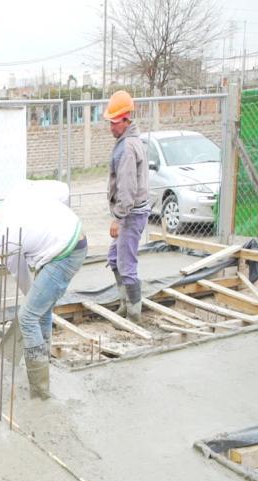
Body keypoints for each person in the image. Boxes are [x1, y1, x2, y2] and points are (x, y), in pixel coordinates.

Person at [0, 185, 87, 401]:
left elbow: (22, 276)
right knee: (40, 310)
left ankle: (40, 391)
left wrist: (32, 300)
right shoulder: (11, 200)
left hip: (65, 253)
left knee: (27, 317)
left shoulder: (5, 235)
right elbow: (61, 191)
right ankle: (44, 364)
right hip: (73, 237)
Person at [103, 89, 150, 324]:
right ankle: (125, 303)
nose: (111, 127)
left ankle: (134, 315)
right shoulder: (129, 142)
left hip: (131, 214)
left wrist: (118, 218)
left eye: (113, 123)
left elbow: (128, 188)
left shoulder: (128, 148)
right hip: (131, 213)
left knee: (126, 264)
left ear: (125, 120)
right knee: (114, 257)